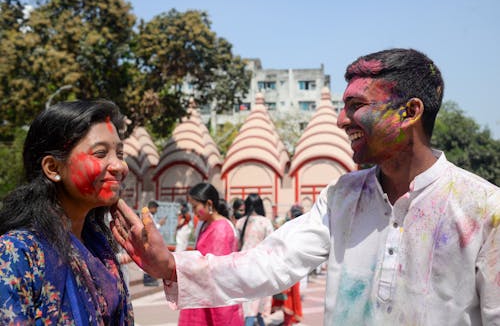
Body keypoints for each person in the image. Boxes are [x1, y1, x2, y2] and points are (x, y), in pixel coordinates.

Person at [111, 48, 500, 325]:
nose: (340, 120)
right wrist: (171, 265)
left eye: (355, 105)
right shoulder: (343, 197)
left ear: (410, 112)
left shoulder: (483, 209)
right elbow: (270, 262)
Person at [0, 99, 133, 324]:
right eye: (100, 154)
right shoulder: (16, 253)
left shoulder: (99, 247)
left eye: (119, 154)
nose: (119, 166)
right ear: (53, 168)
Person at [178, 182, 243, 326]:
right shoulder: (205, 224)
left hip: (217, 299)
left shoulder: (221, 229)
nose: (194, 212)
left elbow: (216, 270)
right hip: (202, 295)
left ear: (209, 204)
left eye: (195, 207)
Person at [235, 194, 274, 326]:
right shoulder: (265, 222)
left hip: (243, 265)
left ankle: (250, 321)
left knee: (247, 300)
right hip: (261, 266)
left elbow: (236, 246)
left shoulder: (240, 222)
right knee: (259, 299)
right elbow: (272, 245)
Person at [271, 205, 304, 326]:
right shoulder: (299, 228)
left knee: (289, 293)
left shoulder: (289, 227)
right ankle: (288, 320)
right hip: (293, 264)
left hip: (288, 264)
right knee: (290, 294)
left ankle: (288, 320)